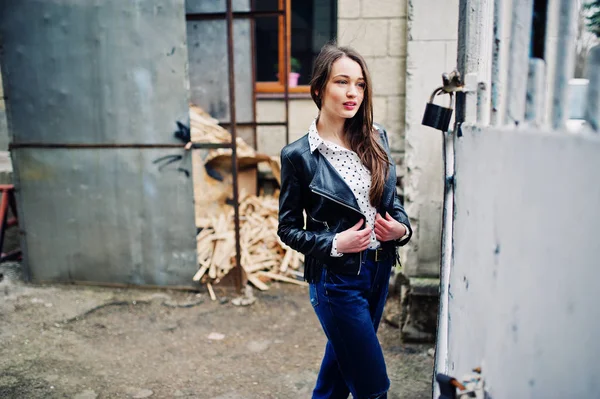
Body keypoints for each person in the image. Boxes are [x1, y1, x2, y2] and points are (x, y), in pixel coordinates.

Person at [277, 43, 412, 399]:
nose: (353, 92)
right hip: (336, 281)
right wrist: (335, 243)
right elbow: (287, 228)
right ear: (319, 87)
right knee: (372, 386)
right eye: (342, 82)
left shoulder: (375, 136)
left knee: (337, 378)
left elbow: (391, 203)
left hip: (379, 272)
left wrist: (402, 229)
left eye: (360, 84)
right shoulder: (298, 156)